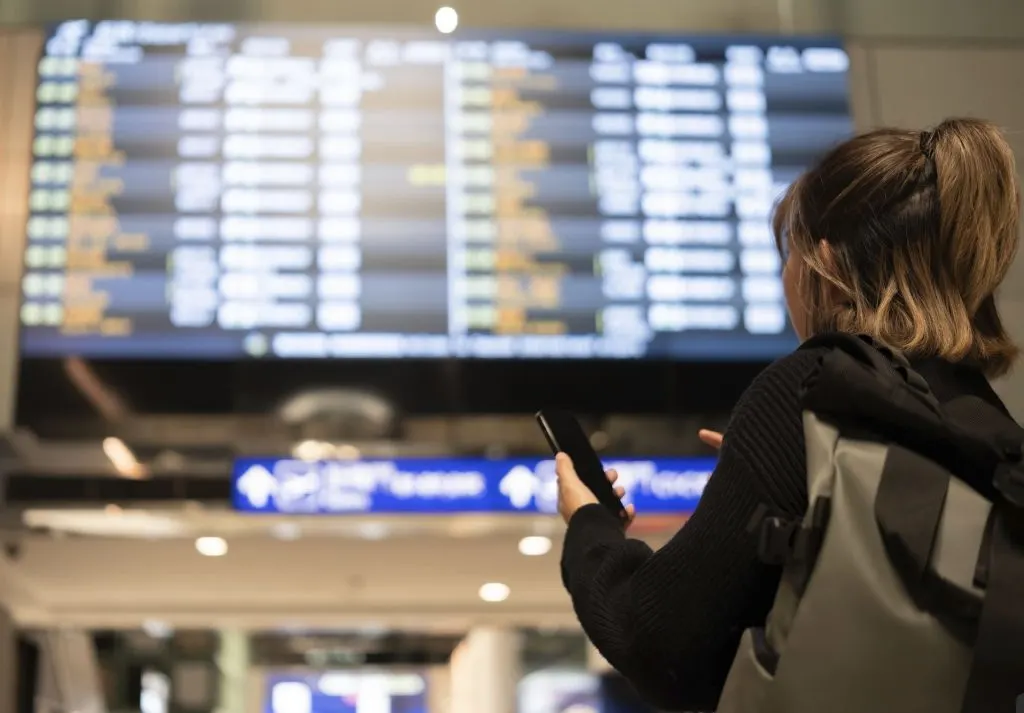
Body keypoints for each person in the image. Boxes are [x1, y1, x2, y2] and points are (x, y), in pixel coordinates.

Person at [555, 117, 1021, 711]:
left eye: (789, 256)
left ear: (821, 264)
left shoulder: (810, 389)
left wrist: (588, 526)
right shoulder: (992, 429)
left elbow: (658, 644)